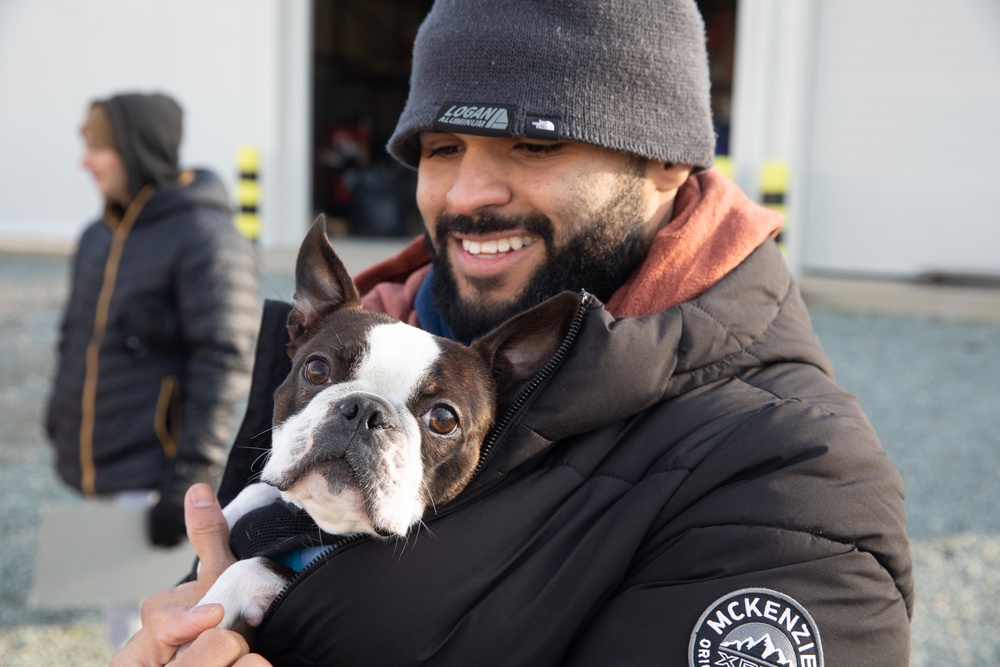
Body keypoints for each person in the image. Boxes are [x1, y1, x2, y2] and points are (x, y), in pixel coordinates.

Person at [114, 1, 913, 664]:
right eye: (442, 146)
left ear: (669, 162)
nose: (469, 192)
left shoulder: (797, 478)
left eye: (535, 142)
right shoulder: (354, 346)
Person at [45, 92, 261, 647]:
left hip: (154, 475)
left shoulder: (206, 240)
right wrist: (57, 417)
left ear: (137, 150)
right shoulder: (100, 236)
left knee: (153, 624)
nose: (84, 161)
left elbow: (223, 362)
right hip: (105, 467)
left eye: (98, 147)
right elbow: (77, 338)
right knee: (118, 615)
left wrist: (189, 475)